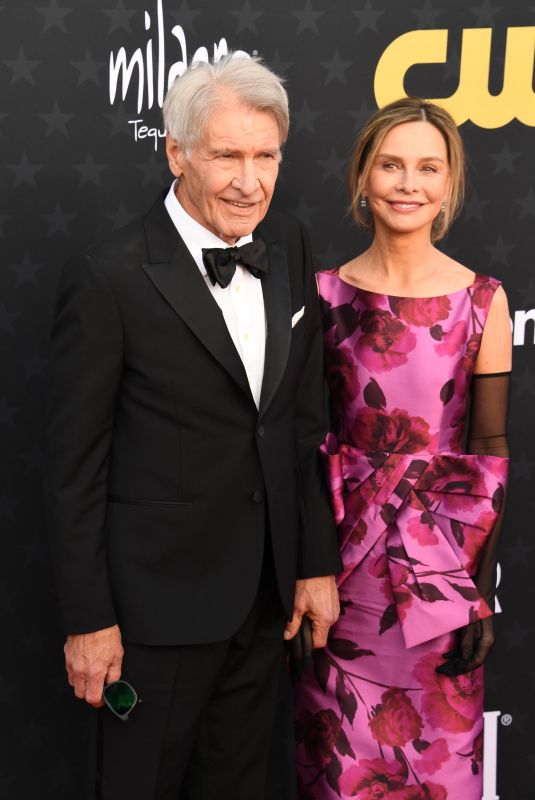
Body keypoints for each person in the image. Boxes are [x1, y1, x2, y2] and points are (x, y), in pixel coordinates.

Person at [45, 55, 342, 800]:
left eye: (265, 156)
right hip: (149, 619)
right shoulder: (108, 275)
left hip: (264, 605)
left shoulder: (291, 245)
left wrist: (312, 562)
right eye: (226, 156)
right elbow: (73, 466)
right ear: (175, 152)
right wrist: (89, 621)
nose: (250, 181)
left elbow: (300, 425)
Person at [294, 98, 511, 799]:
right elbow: (298, 440)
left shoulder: (482, 300)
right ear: (362, 175)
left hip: (439, 572)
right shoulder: (321, 295)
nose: (407, 182)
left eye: (427, 167)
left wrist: (474, 591)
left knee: (438, 774)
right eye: (390, 164)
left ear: (448, 184)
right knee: (337, 775)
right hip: (339, 573)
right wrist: (306, 571)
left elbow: (488, 446)